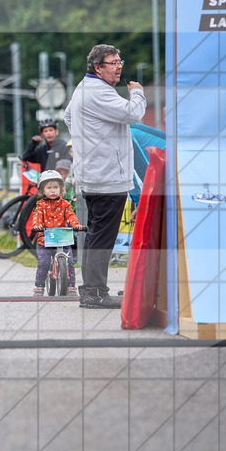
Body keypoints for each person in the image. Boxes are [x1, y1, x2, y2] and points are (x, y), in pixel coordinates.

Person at [63, 44, 146, 309]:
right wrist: (137, 93)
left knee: (96, 234)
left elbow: (68, 116)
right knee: (102, 237)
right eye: (113, 62)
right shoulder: (99, 93)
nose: (119, 66)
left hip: (93, 175)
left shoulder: (83, 88)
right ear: (98, 67)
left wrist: (88, 138)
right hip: (107, 176)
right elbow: (134, 113)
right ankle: (95, 293)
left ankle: (90, 290)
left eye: (120, 60)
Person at [30, 170, 84, 297]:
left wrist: (75, 225)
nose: (53, 190)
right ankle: (39, 286)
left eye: (56, 187)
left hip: (63, 238)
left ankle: (71, 286)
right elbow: (37, 217)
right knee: (43, 262)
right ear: (42, 191)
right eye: (49, 188)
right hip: (45, 239)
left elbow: (70, 216)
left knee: (70, 262)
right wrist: (37, 225)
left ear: (61, 189)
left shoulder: (65, 205)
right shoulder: (40, 205)